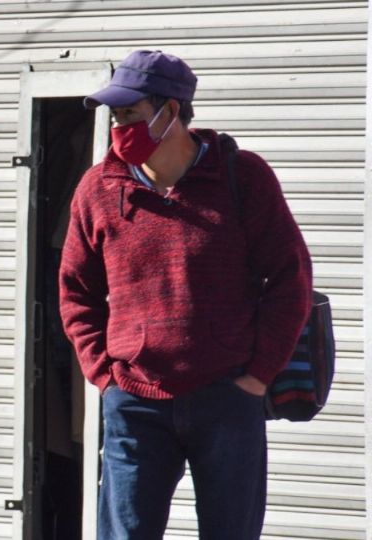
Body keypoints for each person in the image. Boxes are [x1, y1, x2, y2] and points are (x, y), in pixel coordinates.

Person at [58, 50, 313, 539]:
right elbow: (75, 291)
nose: (117, 126)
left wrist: (259, 376)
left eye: (129, 114)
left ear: (170, 111)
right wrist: (104, 373)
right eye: (115, 116)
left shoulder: (243, 177)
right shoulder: (97, 189)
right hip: (134, 402)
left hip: (228, 397)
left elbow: (290, 278)